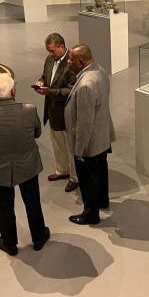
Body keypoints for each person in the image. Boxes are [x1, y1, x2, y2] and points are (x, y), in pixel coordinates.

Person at [0, 74, 50, 255]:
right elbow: (37, 133)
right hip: (27, 164)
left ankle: (9, 243)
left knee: (4, 204)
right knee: (32, 201)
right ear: (13, 91)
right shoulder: (29, 110)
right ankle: (39, 237)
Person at [64, 44, 116, 225]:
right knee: (101, 172)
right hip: (102, 135)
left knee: (88, 180)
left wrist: (79, 150)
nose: (68, 62)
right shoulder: (100, 70)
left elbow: (84, 123)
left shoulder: (86, 85)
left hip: (90, 143)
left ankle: (90, 214)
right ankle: (102, 200)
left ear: (81, 61)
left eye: (70, 59)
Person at [34, 33, 79, 193]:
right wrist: (41, 82)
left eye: (52, 50)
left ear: (61, 46)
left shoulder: (72, 63)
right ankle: (62, 170)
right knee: (58, 144)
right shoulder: (49, 59)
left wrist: (50, 92)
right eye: (48, 51)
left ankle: (75, 177)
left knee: (70, 146)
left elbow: (72, 90)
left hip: (66, 113)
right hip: (52, 111)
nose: (50, 54)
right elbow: (45, 76)